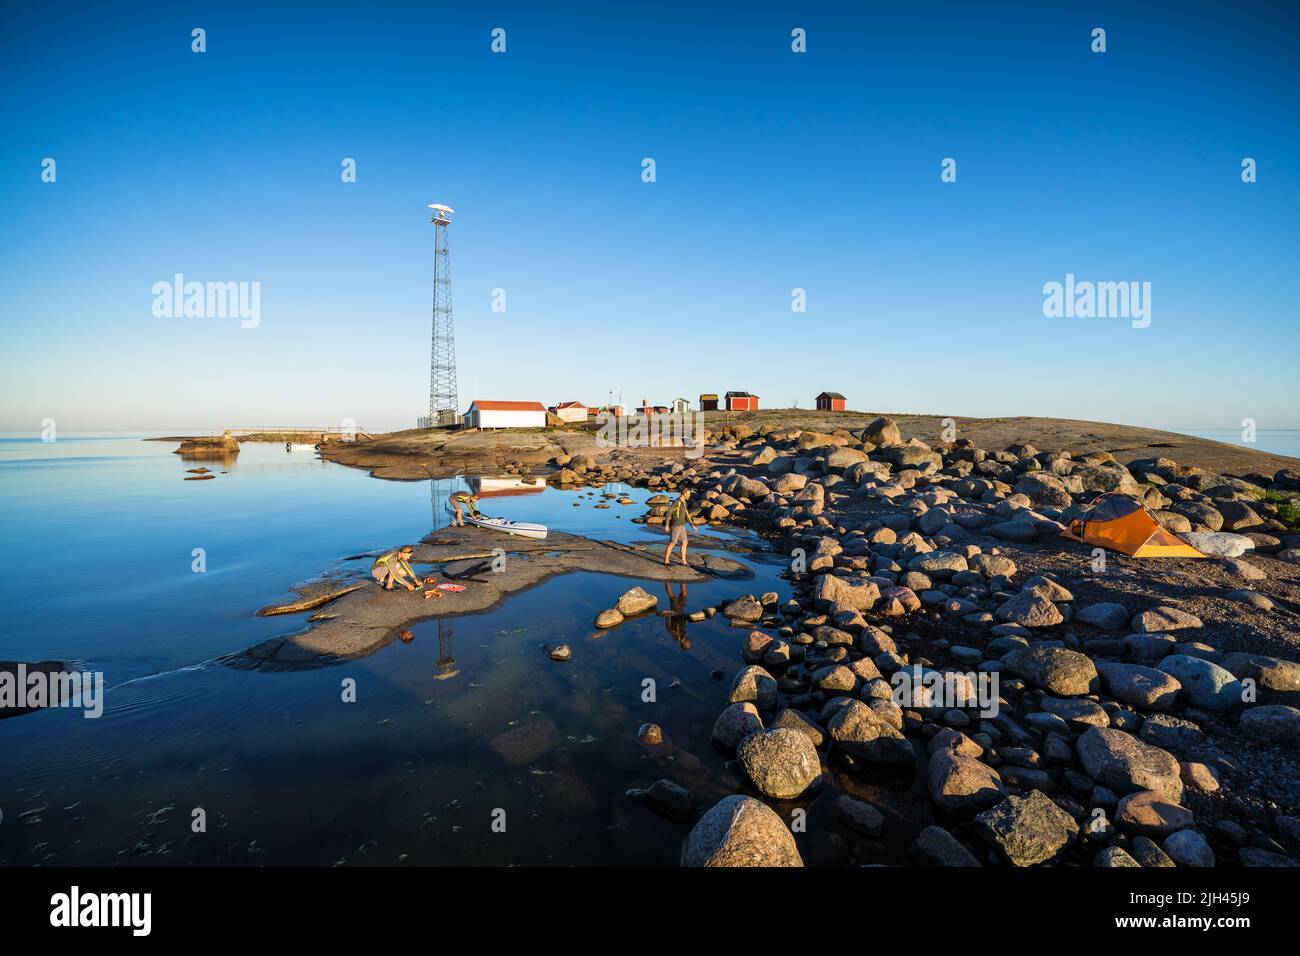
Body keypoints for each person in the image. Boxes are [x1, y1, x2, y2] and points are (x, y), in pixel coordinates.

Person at [663, 487, 696, 566]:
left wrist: (692, 526)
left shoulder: (684, 502)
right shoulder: (677, 502)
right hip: (676, 526)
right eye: (688, 494)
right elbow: (668, 513)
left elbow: (687, 515)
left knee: (685, 542)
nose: (689, 495)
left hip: (682, 526)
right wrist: (667, 525)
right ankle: (666, 561)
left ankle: (683, 561)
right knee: (672, 543)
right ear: (684, 493)